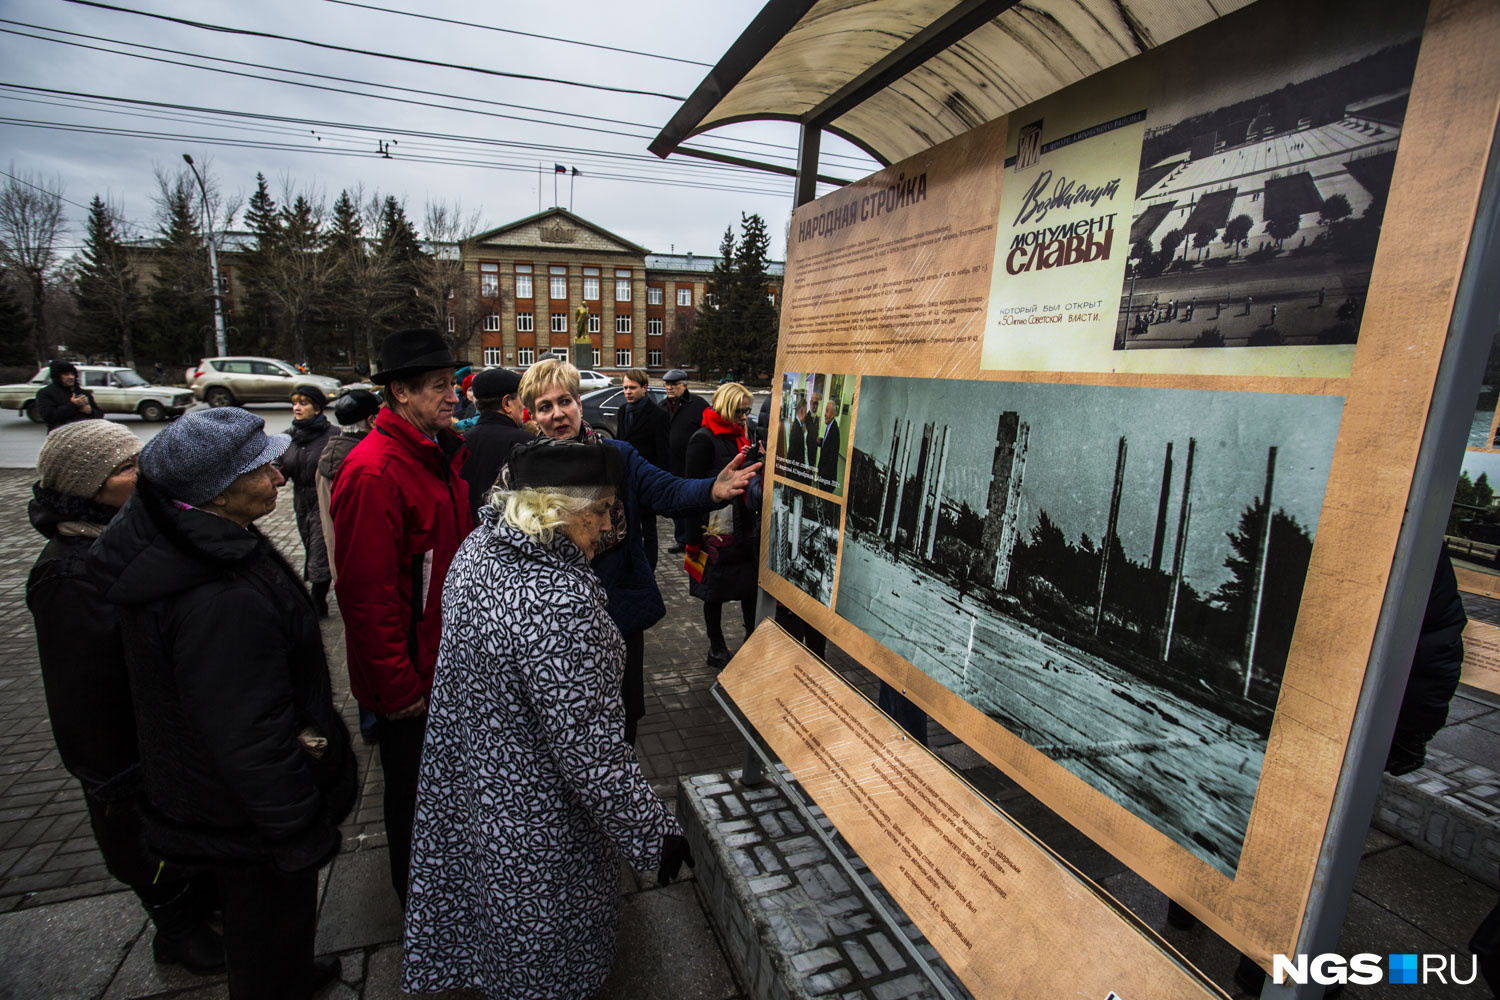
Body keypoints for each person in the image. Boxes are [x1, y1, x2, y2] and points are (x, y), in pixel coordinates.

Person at [401, 438, 693, 1000]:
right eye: (603, 510)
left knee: (494, 929)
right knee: (546, 958)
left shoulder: (478, 549)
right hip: (535, 819)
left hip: (478, 791)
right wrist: (657, 840)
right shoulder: (558, 600)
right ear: (562, 509)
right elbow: (593, 755)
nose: (609, 525)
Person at [89, 408, 356, 999]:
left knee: (266, 919)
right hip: (248, 809)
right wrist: (294, 826)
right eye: (263, 470)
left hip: (219, 795)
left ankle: (282, 968)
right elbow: (247, 730)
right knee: (267, 910)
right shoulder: (218, 597)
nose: (280, 477)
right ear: (216, 490)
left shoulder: (194, 541)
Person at [25, 421, 223, 975]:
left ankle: (200, 909)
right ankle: (177, 930)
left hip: (170, 731)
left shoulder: (133, 533)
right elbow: (81, 692)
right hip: (129, 748)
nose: (143, 475)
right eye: (126, 467)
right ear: (90, 486)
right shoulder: (69, 572)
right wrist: (110, 775)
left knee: (185, 836)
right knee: (144, 845)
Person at [520, 359, 758, 743]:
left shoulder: (617, 455)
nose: (557, 414)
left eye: (564, 401)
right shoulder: (523, 470)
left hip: (616, 613)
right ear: (534, 416)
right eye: (545, 407)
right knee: (564, 728)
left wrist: (711, 490)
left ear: (579, 403)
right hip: (554, 628)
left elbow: (665, 490)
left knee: (621, 720)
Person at [332, 328, 470, 907]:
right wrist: (397, 689)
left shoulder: (435, 453)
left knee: (445, 792)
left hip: (445, 663)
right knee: (413, 795)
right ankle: (417, 902)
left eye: (452, 384)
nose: (454, 396)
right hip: (412, 679)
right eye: (439, 387)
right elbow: (367, 598)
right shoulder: (375, 473)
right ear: (399, 393)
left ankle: (447, 893)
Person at [685, 383, 762, 668]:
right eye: (739, 411)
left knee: (749, 589)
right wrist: (691, 541)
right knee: (712, 592)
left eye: (747, 411)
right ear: (724, 407)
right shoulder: (703, 439)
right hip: (713, 534)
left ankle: (751, 638)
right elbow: (689, 492)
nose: (744, 417)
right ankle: (716, 647)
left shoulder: (744, 436)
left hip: (744, 529)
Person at [278, 384, 337, 616]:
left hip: (324, 501)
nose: (297, 407)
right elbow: (280, 464)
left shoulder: (332, 435)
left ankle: (317, 600)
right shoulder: (289, 436)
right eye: (294, 403)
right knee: (310, 545)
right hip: (300, 502)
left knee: (319, 551)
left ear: (317, 408)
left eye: (303, 403)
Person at [315, 388, 381, 587]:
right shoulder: (367, 463)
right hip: (370, 572)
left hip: (342, 570)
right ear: (371, 421)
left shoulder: (326, 458)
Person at [460, 367, 534, 524]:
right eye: (520, 398)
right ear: (507, 403)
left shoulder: (461, 443)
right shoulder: (525, 444)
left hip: (469, 541)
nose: (523, 406)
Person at [617, 368, 669, 568]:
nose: (628, 392)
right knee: (627, 525)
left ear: (644, 388)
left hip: (647, 479)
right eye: (625, 388)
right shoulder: (623, 411)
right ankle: (631, 564)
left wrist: (659, 483)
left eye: (632, 388)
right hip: (626, 479)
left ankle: (650, 568)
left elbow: (663, 453)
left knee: (649, 528)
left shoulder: (658, 415)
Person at [661, 368, 708, 554]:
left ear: (684, 385)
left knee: (694, 503)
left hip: (693, 464)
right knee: (676, 504)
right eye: (667, 384)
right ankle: (681, 539)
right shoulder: (661, 407)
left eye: (674, 384)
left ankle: (698, 537)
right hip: (670, 464)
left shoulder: (698, 405)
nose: (669, 388)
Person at [36, 360, 103, 431]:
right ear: (57, 376)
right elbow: (49, 417)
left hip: (84, 435)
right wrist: (74, 405)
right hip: (60, 435)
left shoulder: (82, 392)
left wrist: (90, 411)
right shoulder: (46, 393)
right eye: (66, 374)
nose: (71, 377)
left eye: (72, 374)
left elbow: (100, 415)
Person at [816, 396, 841, 488]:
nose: (825, 414)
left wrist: (822, 475)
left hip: (827, 478)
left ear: (833, 414)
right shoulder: (830, 425)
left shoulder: (834, 431)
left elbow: (832, 458)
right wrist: (821, 441)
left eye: (827, 411)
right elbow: (828, 445)